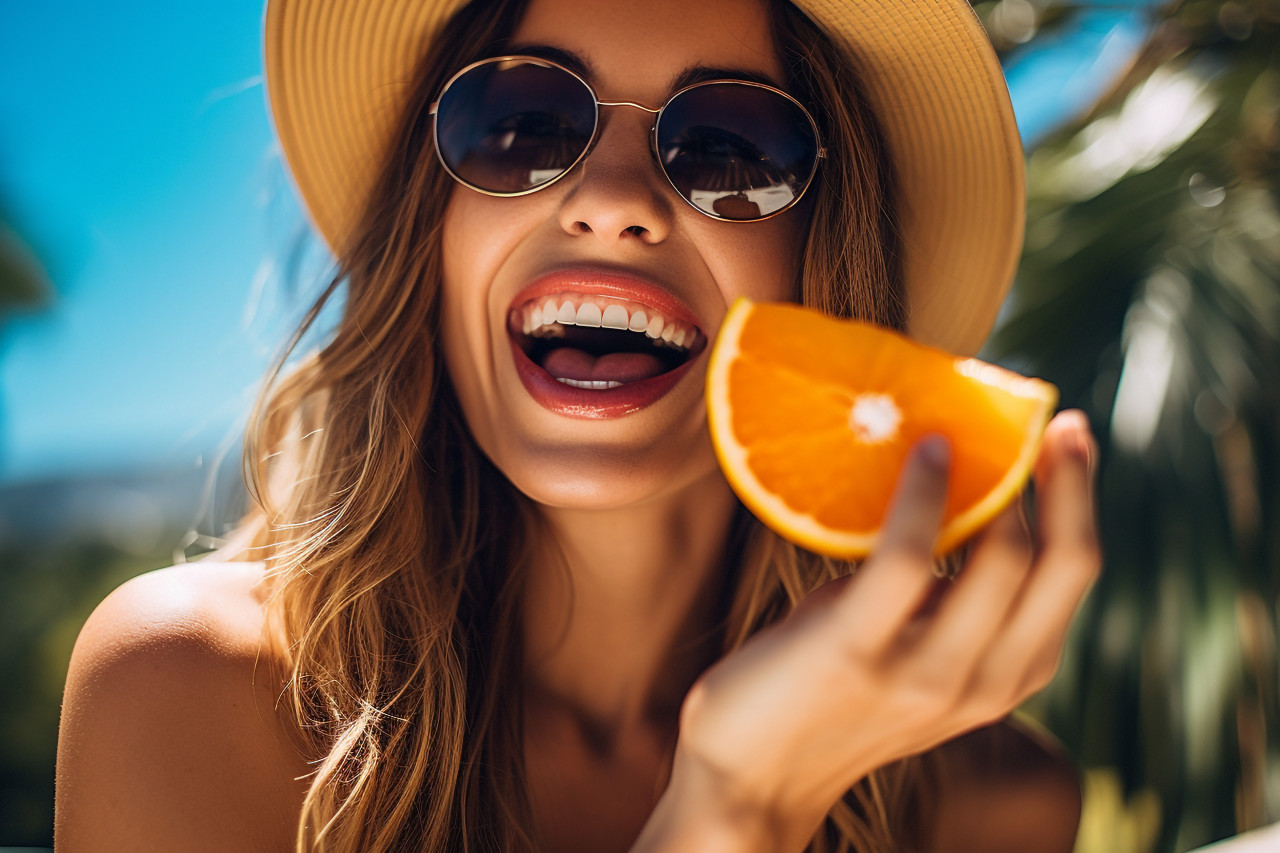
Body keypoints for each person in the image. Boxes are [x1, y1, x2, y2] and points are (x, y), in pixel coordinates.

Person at [54, 0, 1101, 850]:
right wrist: (736, 809)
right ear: (434, 235)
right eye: (519, 128)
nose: (609, 199)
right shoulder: (188, 692)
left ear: (827, 274)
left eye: (733, 149)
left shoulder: (990, 811)